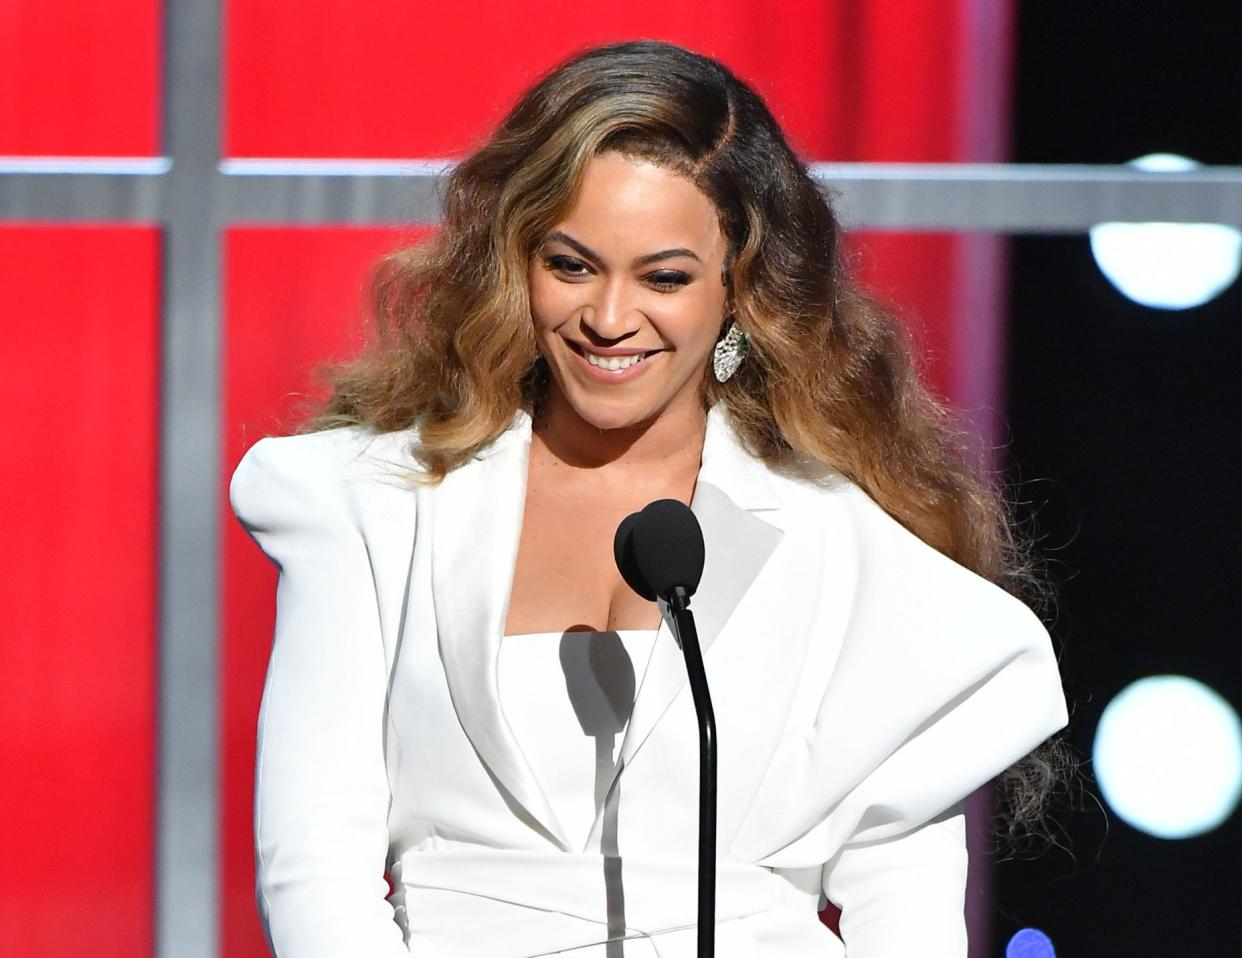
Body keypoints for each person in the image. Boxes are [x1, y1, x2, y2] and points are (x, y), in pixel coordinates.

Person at [229, 39, 1070, 958]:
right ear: (516, 263)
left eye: (663, 278)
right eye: (573, 265)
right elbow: (314, 866)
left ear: (739, 292)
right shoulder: (377, 506)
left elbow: (905, 912)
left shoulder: (844, 547)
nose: (609, 318)